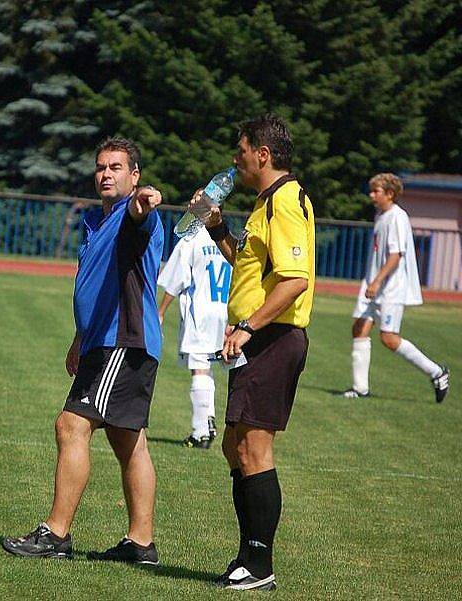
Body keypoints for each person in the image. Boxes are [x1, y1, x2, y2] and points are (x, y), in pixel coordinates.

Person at [3, 137, 164, 566]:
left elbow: (141, 213)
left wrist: (146, 201)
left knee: (71, 425)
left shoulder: (134, 216)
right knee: (129, 442)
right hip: (103, 341)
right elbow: (94, 286)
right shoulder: (97, 221)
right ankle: (140, 544)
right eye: (100, 167)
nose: (106, 174)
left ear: (134, 175)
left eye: (116, 167)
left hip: (122, 341)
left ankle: (56, 534)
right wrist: (79, 338)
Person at [195, 114, 314, 591]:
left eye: (241, 150)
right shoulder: (265, 203)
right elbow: (248, 265)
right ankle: (247, 554)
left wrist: (247, 326)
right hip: (258, 337)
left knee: (254, 447)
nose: (235, 159)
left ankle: (259, 563)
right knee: (234, 445)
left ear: (262, 154)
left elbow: (293, 281)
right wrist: (216, 226)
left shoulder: (285, 201)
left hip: (273, 338)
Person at [342, 173, 449, 402]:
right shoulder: (381, 215)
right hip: (373, 285)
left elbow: (396, 255)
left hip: (390, 287)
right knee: (359, 328)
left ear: (390, 194)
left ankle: (437, 373)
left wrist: (378, 281)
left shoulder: (398, 217)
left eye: (376, 191)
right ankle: (360, 388)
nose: (371, 195)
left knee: (388, 338)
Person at [157, 226, 231, 448]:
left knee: (199, 367)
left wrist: (160, 312)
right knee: (213, 368)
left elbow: (176, 281)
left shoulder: (191, 240)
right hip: (227, 311)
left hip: (201, 311)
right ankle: (208, 422)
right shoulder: (227, 238)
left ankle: (201, 431)